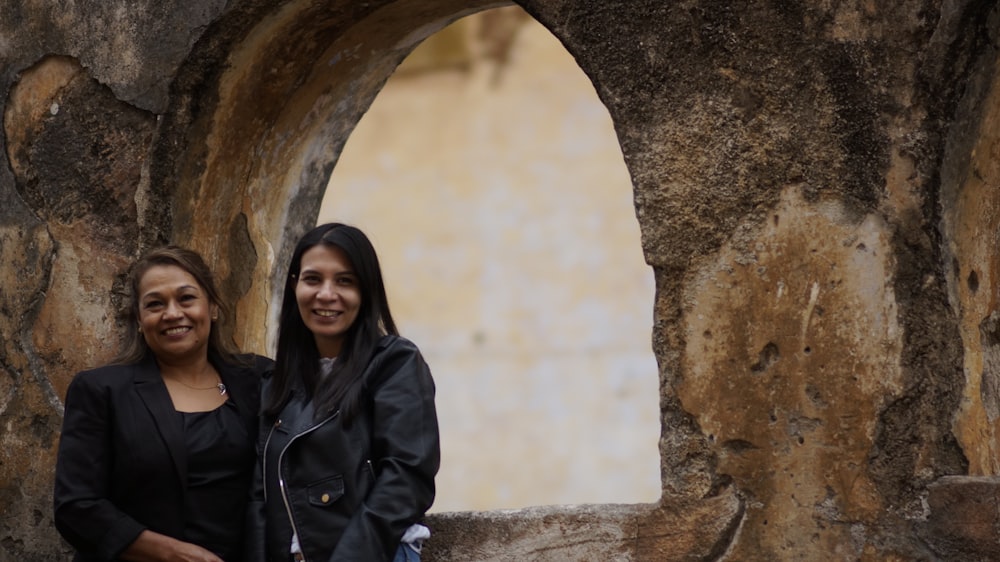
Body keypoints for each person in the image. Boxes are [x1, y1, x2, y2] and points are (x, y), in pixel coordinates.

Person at [54, 246, 272, 561]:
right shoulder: (102, 390)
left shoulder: (260, 379)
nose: (172, 313)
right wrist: (174, 555)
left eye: (186, 298)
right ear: (140, 321)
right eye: (155, 304)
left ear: (212, 307)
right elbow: (76, 507)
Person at [247, 223, 440, 562]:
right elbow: (259, 497)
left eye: (344, 281)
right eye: (312, 279)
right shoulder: (275, 382)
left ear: (366, 291)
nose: (326, 294)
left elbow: (407, 476)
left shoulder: (394, 363)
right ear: (294, 286)